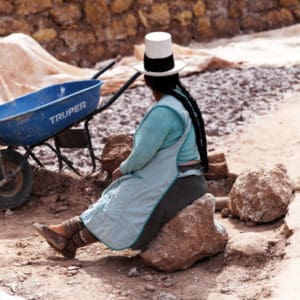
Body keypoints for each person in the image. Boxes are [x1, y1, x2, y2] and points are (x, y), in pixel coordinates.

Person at [33, 31, 209, 258]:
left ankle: (70, 239)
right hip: (189, 178)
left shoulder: (163, 112)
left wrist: (122, 169)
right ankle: (67, 234)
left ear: (147, 80)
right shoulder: (182, 100)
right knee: (123, 190)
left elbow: (141, 156)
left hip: (178, 182)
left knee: (125, 193)